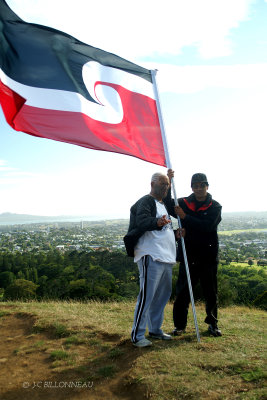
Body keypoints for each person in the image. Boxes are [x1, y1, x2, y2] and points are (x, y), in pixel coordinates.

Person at [165, 170, 222, 337]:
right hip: (189, 255)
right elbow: (168, 205)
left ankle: (212, 324)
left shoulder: (215, 206)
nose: (199, 189)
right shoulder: (183, 202)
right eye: (195, 186)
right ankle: (180, 326)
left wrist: (186, 217)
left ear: (207, 186)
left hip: (208, 257)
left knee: (210, 292)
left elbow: (208, 226)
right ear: (192, 188)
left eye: (202, 185)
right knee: (182, 292)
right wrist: (169, 181)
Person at [124, 172, 177, 347]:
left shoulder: (164, 205)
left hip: (166, 257)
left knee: (161, 297)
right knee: (147, 296)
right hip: (151, 255)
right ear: (152, 183)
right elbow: (142, 222)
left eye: (167, 185)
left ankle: (155, 329)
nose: (165, 187)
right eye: (162, 183)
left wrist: (176, 234)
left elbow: (163, 230)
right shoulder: (146, 201)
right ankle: (137, 336)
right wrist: (157, 223)